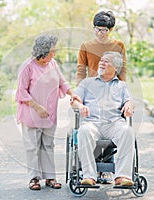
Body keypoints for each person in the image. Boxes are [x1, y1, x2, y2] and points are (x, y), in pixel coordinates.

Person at [15, 34, 81, 190]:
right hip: (31, 113)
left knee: (48, 145)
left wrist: (72, 93)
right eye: (52, 51)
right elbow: (21, 92)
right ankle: (34, 178)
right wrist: (37, 107)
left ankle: (50, 177)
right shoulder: (28, 66)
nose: (54, 54)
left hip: (50, 113)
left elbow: (62, 81)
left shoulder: (52, 64)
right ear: (43, 52)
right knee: (33, 146)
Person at [71, 51, 135, 186]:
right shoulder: (87, 83)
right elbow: (74, 101)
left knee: (128, 131)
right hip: (92, 123)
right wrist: (80, 106)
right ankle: (89, 176)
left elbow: (129, 101)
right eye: (101, 60)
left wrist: (129, 105)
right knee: (84, 131)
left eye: (106, 61)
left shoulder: (122, 86)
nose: (101, 63)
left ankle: (122, 176)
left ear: (116, 68)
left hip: (114, 124)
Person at [76, 10, 127, 85]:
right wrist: (78, 91)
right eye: (97, 29)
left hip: (112, 88)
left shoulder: (119, 46)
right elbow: (81, 71)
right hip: (93, 88)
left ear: (111, 30)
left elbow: (122, 70)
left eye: (103, 30)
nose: (99, 33)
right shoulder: (86, 46)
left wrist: (123, 88)